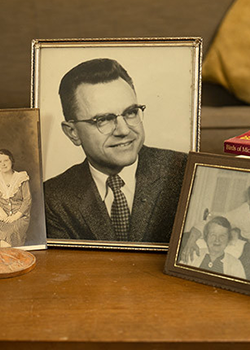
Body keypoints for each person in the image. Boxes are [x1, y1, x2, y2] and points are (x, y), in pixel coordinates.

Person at [43, 58, 187, 243]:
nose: (124, 130)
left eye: (130, 112)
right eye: (103, 119)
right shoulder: (53, 198)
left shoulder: (184, 172)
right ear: (73, 132)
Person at [0, 149, 32, 248]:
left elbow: (27, 200)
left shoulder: (21, 177)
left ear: (11, 161)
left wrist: (15, 217)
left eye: (6, 160)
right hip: (2, 217)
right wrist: (0, 210)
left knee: (5, 242)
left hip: (20, 216)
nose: (3, 164)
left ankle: (8, 262)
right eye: (0, 161)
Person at [179, 216, 246, 279]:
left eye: (222, 236)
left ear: (228, 239)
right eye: (213, 235)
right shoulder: (193, 255)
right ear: (206, 237)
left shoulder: (236, 264)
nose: (217, 240)